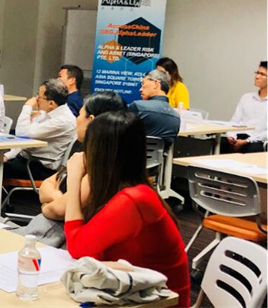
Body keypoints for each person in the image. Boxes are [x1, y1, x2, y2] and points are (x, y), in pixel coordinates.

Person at [63, 111, 190, 307]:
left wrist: (73, 179)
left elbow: (77, 246)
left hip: (158, 303)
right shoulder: (128, 189)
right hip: (136, 293)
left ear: (98, 154)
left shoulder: (133, 200)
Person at [14, 91, 127, 248]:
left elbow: (59, 210)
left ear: (91, 121)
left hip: (56, 237)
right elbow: (47, 184)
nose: (76, 120)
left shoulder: (103, 167)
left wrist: (48, 206)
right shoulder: (85, 153)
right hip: (47, 230)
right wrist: (58, 198)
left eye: (79, 114)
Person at [3, 79, 76, 180]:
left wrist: (27, 106)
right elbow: (25, 138)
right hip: (27, 159)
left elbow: (22, 133)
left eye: (39, 96)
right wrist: (9, 155)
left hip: (39, 167)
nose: (36, 99)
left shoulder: (63, 121)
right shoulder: (48, 112)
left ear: (51, 103)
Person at [222, 61, 267, 153]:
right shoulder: (246, 97)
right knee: (217, 143)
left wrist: (246, 141)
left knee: (253, 148)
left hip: (257, 140)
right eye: (257, 73)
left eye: (262, 74)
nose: (257, 76)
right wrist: (231, 136)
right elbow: (234, 122)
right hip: (240, 136)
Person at [128, 70, 181, 147]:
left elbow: (123, 136)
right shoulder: (176, 117)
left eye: (143, 84)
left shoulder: (137, 107)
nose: (140, 89)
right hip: (160, 155)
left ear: (156, 83)